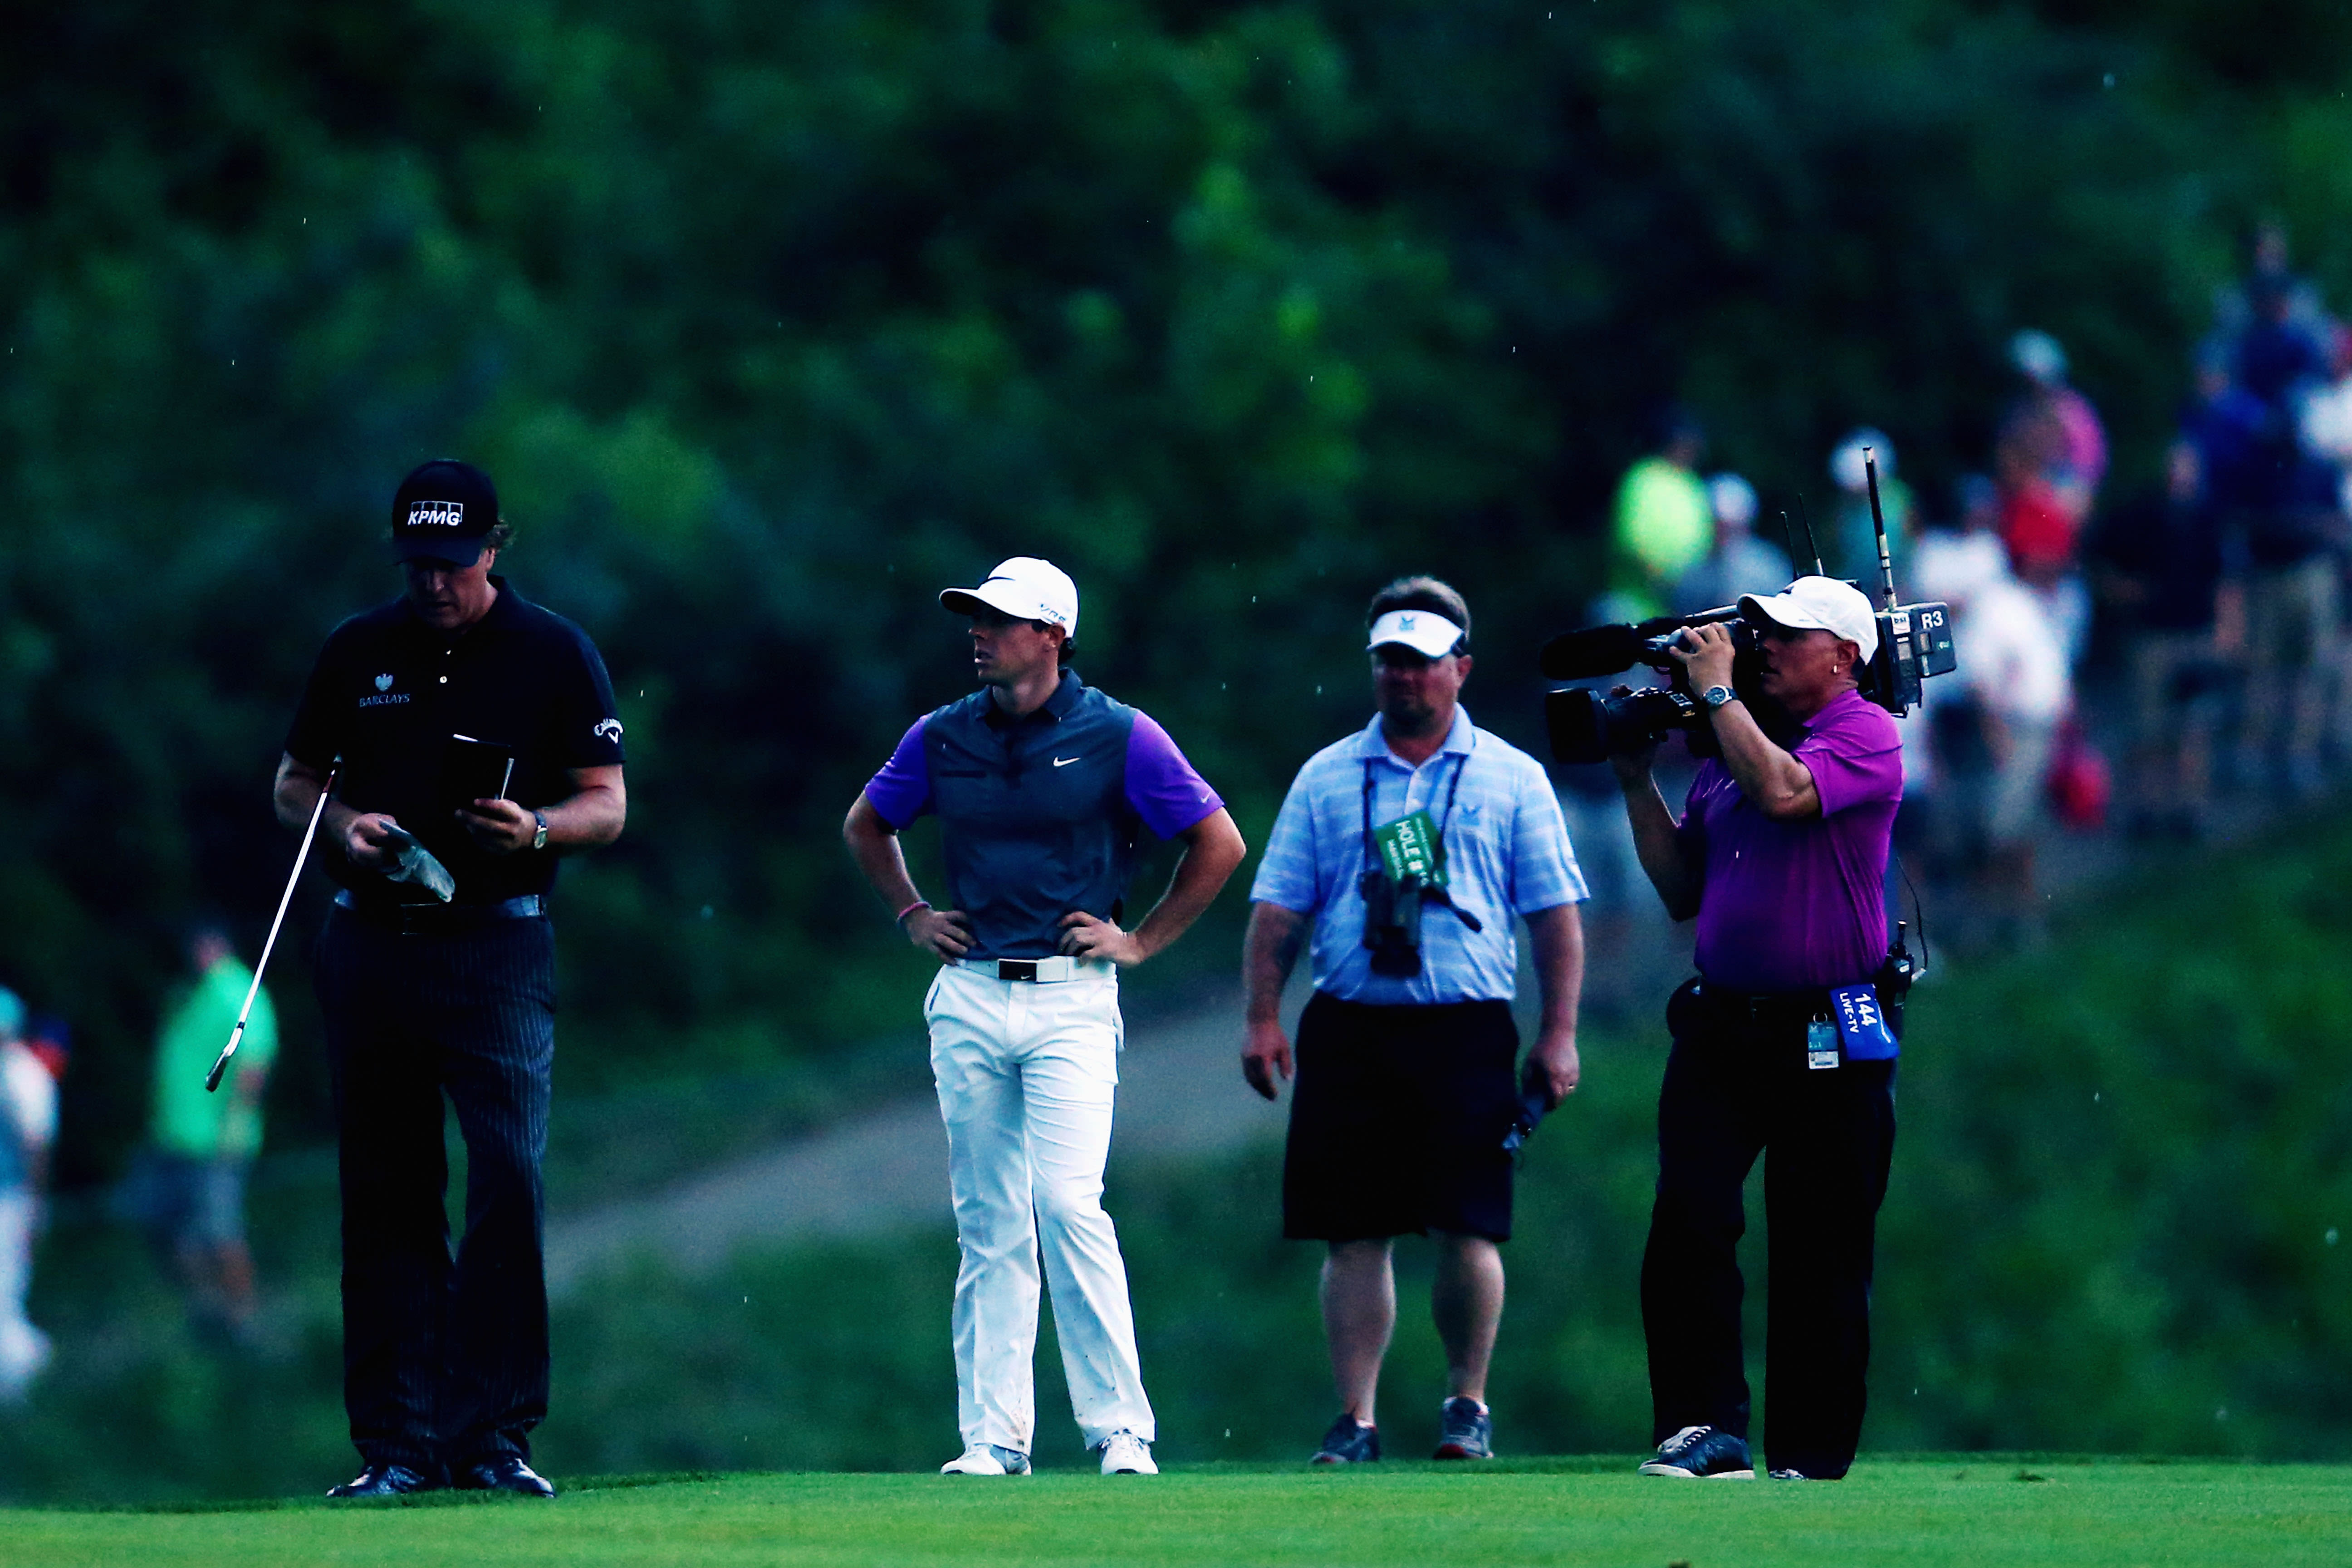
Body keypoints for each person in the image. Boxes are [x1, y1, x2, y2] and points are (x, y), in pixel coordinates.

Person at [843, 556, 1245, 1480]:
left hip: (1070, 998)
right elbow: (868, 824)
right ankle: (994, 1439)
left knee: (1068, 1205)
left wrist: (1139, 943)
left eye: (1000, 620)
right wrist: (913, 913)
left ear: (1053, 637)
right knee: (990, 1221)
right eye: (976, 617)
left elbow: (1218, 843)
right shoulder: (944, 736)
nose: (979, 632)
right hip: (972, 994)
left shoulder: (1122, 736)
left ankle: (1120, 1432)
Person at [277, 459, 627, 1499]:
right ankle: (397, 1442)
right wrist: (347, 826)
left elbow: (605, 802)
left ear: (494, 546)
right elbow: (296, 781)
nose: (434, 581)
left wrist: (536, 826)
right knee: (386, 1188)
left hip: (498, 940)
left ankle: (494, 1437)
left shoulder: (554, 651)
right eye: (417, 562)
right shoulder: (357, 649)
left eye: (453, 560)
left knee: (508, 1173)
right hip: (374, 936)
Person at [1243, 577, 1587, 1466]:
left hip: (1465, 1025)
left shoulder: (1510, 778)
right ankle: (1354, 1417)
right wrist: (1262, 1018)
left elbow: (1554, 916)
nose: (1403, 680)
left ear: (1460, 668)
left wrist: (1558, 1033)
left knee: (1467, 1222)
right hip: (1354, 1023)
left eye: (1421, 664)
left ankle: (1466, 1402)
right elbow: (1279, 909)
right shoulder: (1327, 777)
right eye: (1389, 663)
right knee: (1353, 1228)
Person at [1610, 576, 1901, 1482]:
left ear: (1844, 658)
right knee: (1689, 1220)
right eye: (1760, 632)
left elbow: (1786, 795)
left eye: (1786, 636)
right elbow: (1680, 891)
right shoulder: (1733, 753)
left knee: (1820, 1245)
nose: (1763, 646)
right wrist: (1633, 775)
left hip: (1829, 1032)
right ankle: (1706, 1430)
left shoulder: (1864, 733)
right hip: (1723, 1029)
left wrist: (1718, 694)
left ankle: (1809, 1460)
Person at [2087, 440, 2243, 838]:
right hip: (2151, 638)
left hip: (2195, 633)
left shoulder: (2206, 518)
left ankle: (2189, 809)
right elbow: (2101, 560)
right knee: (2149, 728)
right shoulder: (2140, 516)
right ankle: (2147, 809)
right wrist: (2122, 591)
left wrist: (2228, 628)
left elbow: (2225, 577)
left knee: (2193, 729)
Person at [141, 922, 277, 1341]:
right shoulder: (193, 992)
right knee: (177, 1231)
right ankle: (208, 1317)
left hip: (215, 1142)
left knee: (222, 1233)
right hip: (178, 1139)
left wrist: (233, 1128)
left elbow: (253, 1065)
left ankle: (245, 1323)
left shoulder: (236, 989)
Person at [1606, 409, 1714, 620]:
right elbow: (1631, 539)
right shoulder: (1644, 478)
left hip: (1686, 602)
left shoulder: (1693, 484)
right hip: (1639, 602)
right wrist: (1657, 577)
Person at [0, 989, 54, 1403]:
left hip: (12, 1199)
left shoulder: (25, 1076)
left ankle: (21, 1391)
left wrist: (35, 1208)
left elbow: (37, 1149)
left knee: (6, 1292)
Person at [1673, 474, 1793, 615]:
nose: (1724, 533)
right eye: (1719, 524)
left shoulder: (1770, 567)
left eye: (1731, 526)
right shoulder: (1693, 569)